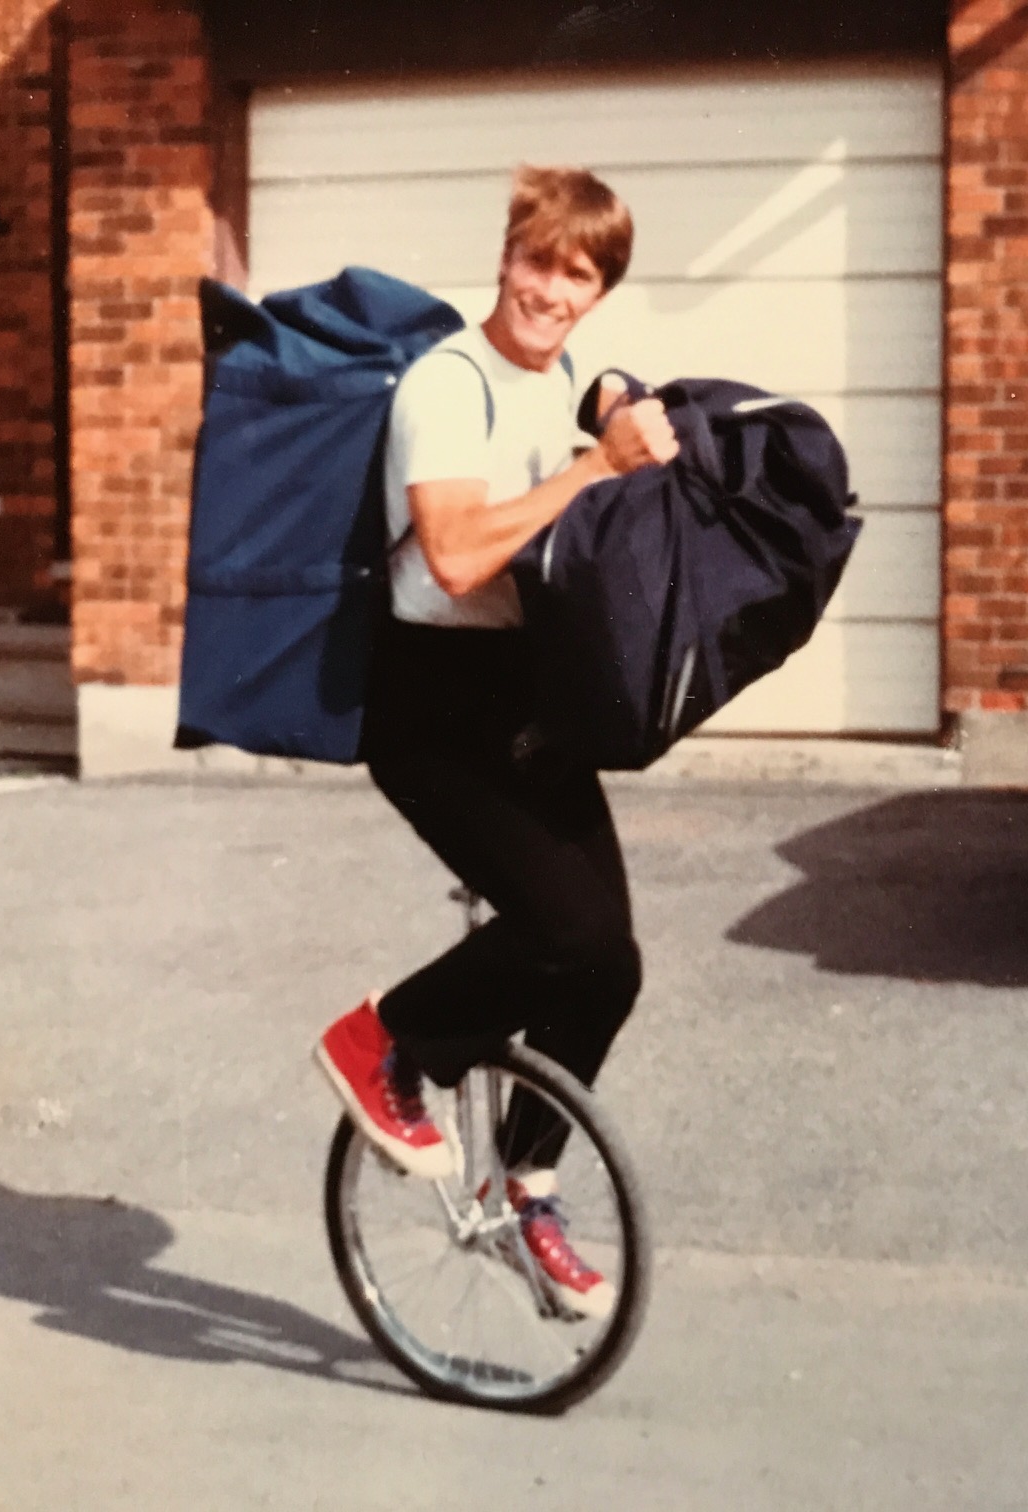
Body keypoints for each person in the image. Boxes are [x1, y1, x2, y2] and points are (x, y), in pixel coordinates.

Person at [312, 165, 677, 1318]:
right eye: (538, 263)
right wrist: (594, 467)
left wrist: (615, 404)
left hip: (525, 699)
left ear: (598, 290)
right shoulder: (446, 381)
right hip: (432, 711)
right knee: (557, 926)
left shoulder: (565, 375)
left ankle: (527, 1189)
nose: (551, 291)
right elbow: (460, 558)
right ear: (505, 258)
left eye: (579, 275)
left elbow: (595, 419)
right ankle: (380, 1040)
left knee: (607, 961)